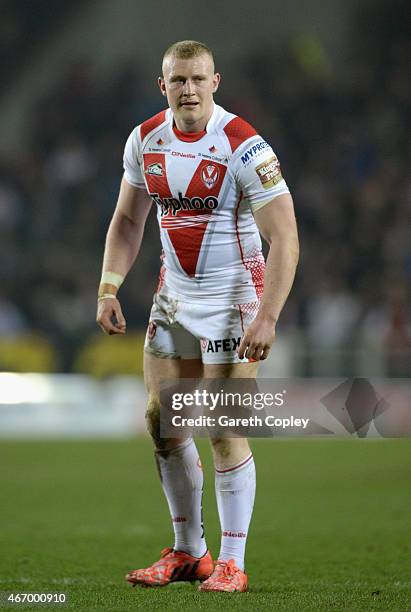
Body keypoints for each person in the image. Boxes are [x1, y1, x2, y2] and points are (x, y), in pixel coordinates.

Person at [96, 40, 299, 593]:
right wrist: (109, 286)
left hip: (235, 299)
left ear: (216, 83)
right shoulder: (145, 140)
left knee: (225, 428)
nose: (189, 89)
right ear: (163, 86)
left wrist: (268, 317)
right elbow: (126, 220)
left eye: (198, 79)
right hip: (175, 300)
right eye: (178, 80)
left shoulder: (244, 146)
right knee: (163, 423)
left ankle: (233, 562)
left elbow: (284, 236)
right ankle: (191, 554)